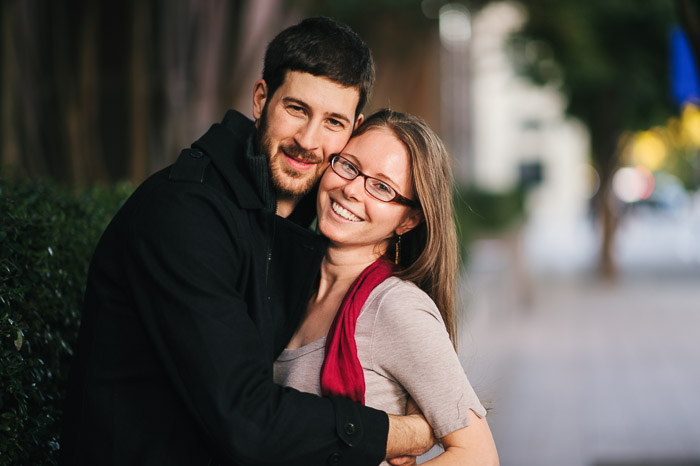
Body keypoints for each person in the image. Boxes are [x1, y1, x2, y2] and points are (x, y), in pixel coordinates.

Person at [59, 17, 434, 466]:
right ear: (261, 100)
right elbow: (246, 419)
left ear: (352, 129)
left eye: (332, 121)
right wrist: (400, 432)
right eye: (296, 109)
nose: (308, 141)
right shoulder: (185, 214)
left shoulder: (295, 223)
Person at [274, 109, 500, 465]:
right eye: (348, 165)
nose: (350, 189)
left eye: (381, 187)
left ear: (408, 220)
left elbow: (479, 456)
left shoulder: (396, 307)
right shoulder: (286, 283)